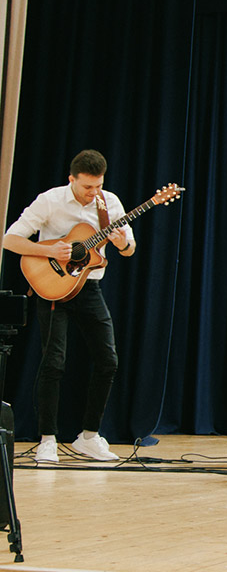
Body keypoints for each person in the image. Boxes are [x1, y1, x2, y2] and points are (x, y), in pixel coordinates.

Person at [4, 149, 134, 463]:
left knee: (108, 360)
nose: (93, 192)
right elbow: (10, 239)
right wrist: (49, 251)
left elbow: (129, 249)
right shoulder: (50, 200)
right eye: (87, 186)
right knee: (54, 362)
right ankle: (47, 439)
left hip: (89, 288)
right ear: (71, 180)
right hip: (53, 289)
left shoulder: (109, 203)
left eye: (98, 185)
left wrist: (121, 243)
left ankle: (89, 437)